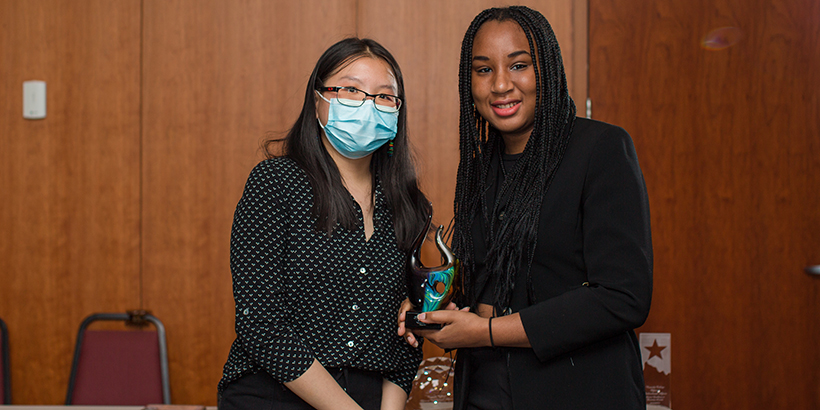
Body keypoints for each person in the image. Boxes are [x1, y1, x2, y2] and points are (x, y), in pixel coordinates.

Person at [398, 6, 653, 410]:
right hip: (484, 391)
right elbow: (490, 288)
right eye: (483, 70)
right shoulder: (480, 170)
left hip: (579, 393)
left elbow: (623, 296)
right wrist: (433, 308)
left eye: (519, 65)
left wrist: (488, 332)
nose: (500, 84)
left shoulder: (600, 149)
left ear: (547, 69)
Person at [219, 37, 430, 410]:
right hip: (274, 396)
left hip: (370, 398)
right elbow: (261, 325)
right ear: (318, 99)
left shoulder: (410, 205)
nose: (368, 105)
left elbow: (407, 331)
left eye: (384, 96)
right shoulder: (275, 183)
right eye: (351, 89)